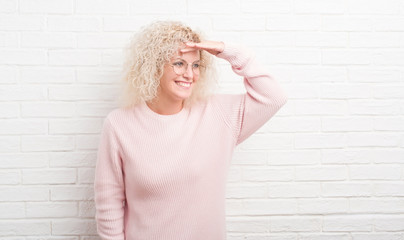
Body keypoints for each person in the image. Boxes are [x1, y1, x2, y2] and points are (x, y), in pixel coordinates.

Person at [94, 21, 287, 240]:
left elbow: (274, 97)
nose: (189, 74)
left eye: (195, 65)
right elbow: (108, 202)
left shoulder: (218, 114)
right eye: (179, 63)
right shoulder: (119, 124)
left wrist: (227, 51)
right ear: (154, 66)